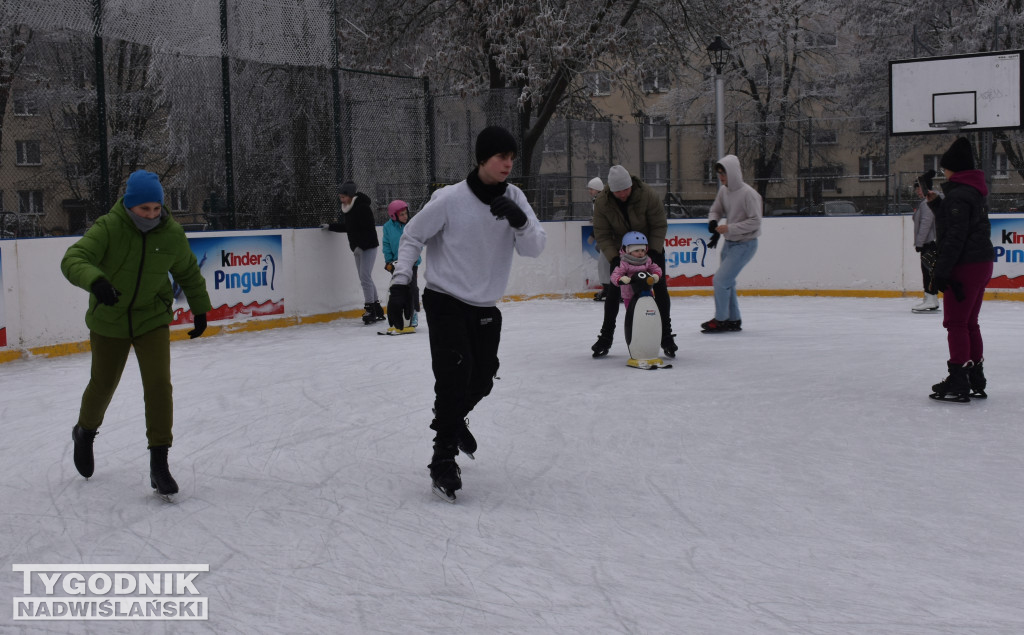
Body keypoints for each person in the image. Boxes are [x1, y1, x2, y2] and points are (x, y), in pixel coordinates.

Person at [386, 125, 546, 501]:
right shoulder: (450, 199)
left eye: (511, 158)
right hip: (445, 300)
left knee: (484, 380)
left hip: (485, 305)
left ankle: (454, 422)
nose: (507, 164)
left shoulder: (516, 197)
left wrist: (520, 222)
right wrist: (399, 282)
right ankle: (442, 459)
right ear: (481, 159)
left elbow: (535, 248)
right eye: (500, 157)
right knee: (454, 377)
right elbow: (411, 235)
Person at [61, 170, 212, 497]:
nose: (152, 216)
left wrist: (200, 309)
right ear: (130, 206)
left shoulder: (170, 233)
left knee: (159, 384)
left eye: (156, 209)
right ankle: (84, 432)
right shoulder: (109, 228)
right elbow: (74, 258)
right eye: (145, 210)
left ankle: (159, 462)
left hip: (151, 316)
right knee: (103, 384)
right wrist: (96, 281)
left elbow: (186, 269)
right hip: (110, 319)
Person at [925, 137, 994, 402]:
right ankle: (974, 376)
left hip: (965, 265)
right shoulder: (972, 191)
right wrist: (936, 203)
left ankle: (958, 380)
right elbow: (960, 222)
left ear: (955, 168)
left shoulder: (959, 194)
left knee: (955, 323)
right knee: (969, 323)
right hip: (981, 263)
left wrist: (940, 271)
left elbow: (955, 236)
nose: (944, 172)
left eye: (945, 167)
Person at [591, 165, 675, 358]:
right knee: (613, 291)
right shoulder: (603, 203)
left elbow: (659, 224)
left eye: (625, 189)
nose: (622, 194)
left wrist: (652, 251)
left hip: (650, 248)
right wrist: (613, 257)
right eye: (618, 191)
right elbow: (602, 233)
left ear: (631, 185)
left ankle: (666, 336)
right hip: (622, 252)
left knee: (660, 286)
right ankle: (606, 337)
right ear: (611, 190)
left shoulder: (647, 195)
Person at [700, 154, 762, 333]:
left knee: (720, 280)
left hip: (745, 244)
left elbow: (756, 221)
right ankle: (734, 319)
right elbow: (716, 210)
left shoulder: (748, 194)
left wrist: (730, 228)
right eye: (719, 173)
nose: (721, 177)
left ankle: (721, 319)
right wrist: (713, 220)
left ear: (733, 173)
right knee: (728, 282)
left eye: (724, 173)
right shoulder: (724, 191)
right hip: (729, 244)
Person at [321, 181, 384, 325]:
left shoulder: (362, 208)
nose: (341, 200)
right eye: (340, 197)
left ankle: (370, 309)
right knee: (365, 278)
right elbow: (349, 227)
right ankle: (376, 308)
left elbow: (369, 230)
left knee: (365, 277)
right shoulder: (348, 208)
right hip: (357, 249)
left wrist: (360, 246)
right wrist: (330, 227)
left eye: (343, 197)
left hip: (368, 247)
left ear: (350, 195)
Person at [610, 231, 663, 339]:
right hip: (630, 295)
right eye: (637, 250)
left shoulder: (647, 260)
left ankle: (649, 331)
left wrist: (657, 275)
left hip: (647, 293)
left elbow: (656, 268)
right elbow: (615, 274)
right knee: (633, 315)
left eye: (643, 250)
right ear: (628, 251)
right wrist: (620, 279)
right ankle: (636, 333)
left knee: (648, 313)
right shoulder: (624, 262)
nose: (640, 253)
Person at [382, 199, 420, 328]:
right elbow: (386, 244)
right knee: (397, 290)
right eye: (401, 214)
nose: (405, 216)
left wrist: (414, 257)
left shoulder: (411, 225)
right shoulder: (387, 227)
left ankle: (414, 312)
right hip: (396, 264)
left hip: (411, 263)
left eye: (406, 213)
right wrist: (388, 260)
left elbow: (418, 242)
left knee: (412, 287)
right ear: (394, 216)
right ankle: (397, 315)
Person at [911, 170, 940, 313]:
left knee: (928, 271)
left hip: (929, 243)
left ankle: (930, 299)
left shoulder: (927, 203)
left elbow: (925, 224)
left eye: (918, 188)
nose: (917, 191)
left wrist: (919, 243)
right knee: (929, 271)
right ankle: (931, 298)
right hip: (929, 242)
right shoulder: (927, 201)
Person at [587, 176, 612, 302]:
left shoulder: (601, 201)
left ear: (597, 189)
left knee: (604, 263)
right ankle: (608, 287)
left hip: (608, 237)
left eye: (591, 189)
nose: (590, 192)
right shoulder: (598, 200)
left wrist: (593, 234)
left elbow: (603, 221)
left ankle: (610, 288)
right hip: (605, 237)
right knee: (603, 263)